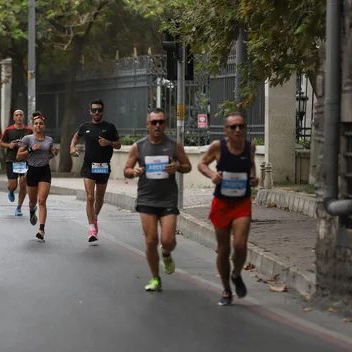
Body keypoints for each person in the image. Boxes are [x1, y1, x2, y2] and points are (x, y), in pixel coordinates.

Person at [123, 108, 192, 292]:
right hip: (146, 198)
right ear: (148, 125)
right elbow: (126, 170)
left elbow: (187, 166)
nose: (157, 126)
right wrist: (134, 171)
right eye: (154, 122)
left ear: (165, 124)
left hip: (168, 199)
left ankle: (166, 253)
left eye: (161, 122)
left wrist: (177, 166)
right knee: (151, 240)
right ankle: (155, 278)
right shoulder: (139, 146)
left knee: (168, 240)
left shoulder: (173, 145)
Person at [197, 112, 259, 306]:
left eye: (241, 126)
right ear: (226, 130)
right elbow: (201, 164)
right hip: (222, 203)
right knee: (223, 249)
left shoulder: (250, 147)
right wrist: (211, 175)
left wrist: (254, 178)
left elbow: (251, 168)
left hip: (242, 202)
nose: (238, 130)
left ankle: (237, 273)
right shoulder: (218, 147)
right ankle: (226, 289)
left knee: (240, 245)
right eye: (233, 127)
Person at [70, 99, 121, 242]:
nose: (96, 112)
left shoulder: (110, 127)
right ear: (90, 111)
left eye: (99, 110)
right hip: (89, 166)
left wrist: (108, 143)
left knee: (99, 199)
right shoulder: (85, 126)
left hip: (104, 166)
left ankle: (95, 217)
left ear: (103, 111)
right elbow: (76, 136)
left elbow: (118, 145)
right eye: (94, 110)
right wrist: (72, 147)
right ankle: (92, 228)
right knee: (90, 197)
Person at [17, 111, 59, 241]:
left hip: (45, 171)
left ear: (44, 126)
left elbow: (48, 156)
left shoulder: (49, 140)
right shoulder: (27, 139)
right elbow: (19, 156)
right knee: (32, 202)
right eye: (36, 124)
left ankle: (41, 229)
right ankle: (31, 211)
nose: (39, 126)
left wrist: (54, 153)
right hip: (32, 171)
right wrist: (30, 150)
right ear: (33, 125)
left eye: (41, 124)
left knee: (42, 201)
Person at [0, 109, 32, 216]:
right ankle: (11, 190)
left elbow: (34, 141)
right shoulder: (9, 130)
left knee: (23, 184)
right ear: (13, 118)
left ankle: (19, 207)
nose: (19, 117)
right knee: (13, 185)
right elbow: (1, 142)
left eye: (21, 115)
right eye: (16, 115)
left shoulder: (29, 131)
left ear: (23, 117)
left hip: (24, 160)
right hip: (12, 160)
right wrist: (9, 145)